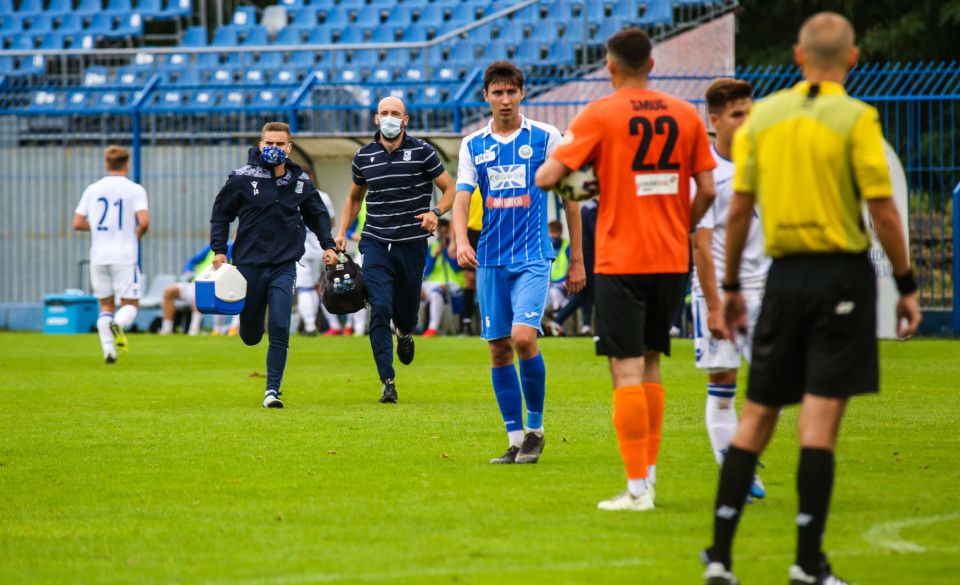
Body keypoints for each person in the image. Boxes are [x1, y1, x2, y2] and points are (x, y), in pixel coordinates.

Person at [699, 13, 921, 585]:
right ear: (853, 58)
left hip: (782, 280)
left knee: (756, 415)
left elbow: (740, 210)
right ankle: (807, 562)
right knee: (817, 426)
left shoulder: (765, 117)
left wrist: (730, 288)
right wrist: (906, 284)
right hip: (841, 278)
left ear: (798, 56)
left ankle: (719, 556)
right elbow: (883, 209)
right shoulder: (856, 118)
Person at [536, 28, 717, 507]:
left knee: (626, 369)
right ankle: (648, 480)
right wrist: (681, 226)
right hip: (672, 257)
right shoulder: (686, 114)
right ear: (651, 64)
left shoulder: (600, 113)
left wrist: (586, 177)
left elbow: (547, 176)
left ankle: (637, 489)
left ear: (610, 67)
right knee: (652, 363)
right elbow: (708, 190)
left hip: (622, 258)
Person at [454, 60, 586, 465]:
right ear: (486, 96)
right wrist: (460, 240)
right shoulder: (473, 144)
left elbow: (571, 198)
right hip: (490, 259)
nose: (505, 99)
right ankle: (514, 440)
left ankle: (535, 430)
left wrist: (577, 259)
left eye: (512, 91)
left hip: (532, 256)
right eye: (498, 92)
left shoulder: (546, 137)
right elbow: (461, 198)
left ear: (522, 93)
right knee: (498, 349)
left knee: (524, 338)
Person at [334, 96, 457, 404]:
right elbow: (354, 198)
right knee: (379, 308)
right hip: (375, 243)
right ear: (376, 118)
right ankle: (387, 382)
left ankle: (405, 332)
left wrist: (436, 212)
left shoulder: (423, 152)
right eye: (384, 113)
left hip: (412, 243)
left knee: (406, 313)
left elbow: (450, 189)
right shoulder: (363, 156)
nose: (390, 117)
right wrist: (341, 232)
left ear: (405, 120)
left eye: (396, 113)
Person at [210, 121, 338, 409]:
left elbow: (317, 214)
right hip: (248, 266)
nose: (274, 148)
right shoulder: (241, 178)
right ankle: (249, 332)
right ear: (260, 145)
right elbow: (221, 215)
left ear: (289, 148)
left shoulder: (300, 180)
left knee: (280, 325)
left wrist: (328, 245)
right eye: (269, 143)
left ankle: (272, 391)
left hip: (284, 265)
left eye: (280, 144)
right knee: (251, 336)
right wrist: (219, 250)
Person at [690, 78, 770, 501]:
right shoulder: (704, 173)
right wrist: (713, 306)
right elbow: (700, 245)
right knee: (723, 384)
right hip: (718, 291)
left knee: (776, 384)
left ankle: (742, 452)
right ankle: (736, 470)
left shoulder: (768, 162)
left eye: (749, 113)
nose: (746, 121)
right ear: (715, 120)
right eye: (737, 114)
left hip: (767, 289)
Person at [72, 145, 150, 364]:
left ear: (106, 164)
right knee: (130, 304)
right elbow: (144, 221)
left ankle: (109, 351)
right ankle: (119, 323)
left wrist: (98, 228)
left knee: (105, 305)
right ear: (127, 165)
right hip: (124, 255)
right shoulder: (135, 189)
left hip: (99, 256)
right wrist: (137, 233)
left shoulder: (93, 189)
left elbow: (77, 223)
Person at [159, 242, 236, 336]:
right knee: (169, 291)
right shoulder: (214, 246)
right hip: (195, 283)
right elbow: (192, 261)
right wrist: (188, 271)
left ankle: (193, 330)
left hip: (214, 287)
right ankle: (167, 329)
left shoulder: (235, 248)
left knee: (199, 294)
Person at [548, 198, 598, 337]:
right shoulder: (591, 210)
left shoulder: (589, 208)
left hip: (581, 267)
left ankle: (561, 322)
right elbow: (597, 234)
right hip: (588, 261)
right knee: (588, 294)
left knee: (585, 294)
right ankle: (559, 321)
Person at [420, 218, 463, 337]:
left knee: (436, 292)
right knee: (413, 290)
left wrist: (446, 250)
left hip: (454, 283)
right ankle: (409, 327)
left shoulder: (456, 246)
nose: (443, 235)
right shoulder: (432, 247)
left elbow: (457, 268)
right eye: (440, 232)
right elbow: (426, 271)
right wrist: (434, 256)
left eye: (445, 232)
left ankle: (432, 328)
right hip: (433, 282)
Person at [546, 220, 571, 318]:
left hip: (565, 283)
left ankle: (557, 322)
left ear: (561, 232)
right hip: (551, 284)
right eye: (550, 232)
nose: (552, 235)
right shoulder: (548, 247)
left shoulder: (567, 246)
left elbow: (571, 267)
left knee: (555, 293)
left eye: (555, 232)